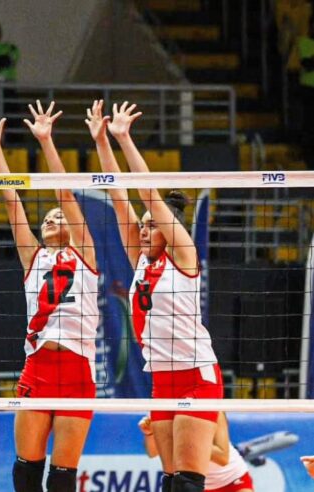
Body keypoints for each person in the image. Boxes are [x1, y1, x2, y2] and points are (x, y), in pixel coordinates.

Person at [0, 104, 99, 492]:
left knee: (61, 481)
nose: (52, 219)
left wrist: (46, 140)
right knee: (26, 474)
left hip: (77, 372)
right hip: (37, 370)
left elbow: (66, 193)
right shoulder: (34, 257)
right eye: (48, 218)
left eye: (59, 217)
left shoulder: (84, 255)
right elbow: (13, 204)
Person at [94, 99, 222, 492]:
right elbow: (120, 198)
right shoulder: (141, 263)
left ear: (171, 229)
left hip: (195, 376)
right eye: (143, 227)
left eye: (152, 225)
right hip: (161, 379)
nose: (144, 230)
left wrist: (124, 138)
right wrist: (102, 141)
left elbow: (148, 194)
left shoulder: (183, 256)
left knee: (186, 482)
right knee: (169, 482)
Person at [139, 413, 254, 492]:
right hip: (197, 484)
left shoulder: (212, 408)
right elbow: (152, 452)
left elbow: (222, 457)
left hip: (232, 480)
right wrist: (149, 434)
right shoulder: (162, 408)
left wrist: (187, 442)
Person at [298, 15, 314, 169]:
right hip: (309, 90)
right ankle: (308, 159)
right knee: (309, 125)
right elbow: (307, 63)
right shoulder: (304, 42)